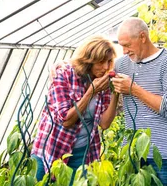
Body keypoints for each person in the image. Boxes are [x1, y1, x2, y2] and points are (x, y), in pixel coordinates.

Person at [31, 36, 119, 185]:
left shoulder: (102, 81)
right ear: (88, 60)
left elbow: (104, 124)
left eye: (109, 61)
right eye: (101, 61)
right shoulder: (64, 75)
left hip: (84, 152)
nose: (105, 67)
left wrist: (115, 93)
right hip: (52, 149)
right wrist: (91, 92)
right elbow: (66, 120)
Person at [111, 17, 167, 186]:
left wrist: (134, 89)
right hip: (134, 154)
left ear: (142, 37)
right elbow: (96, 67)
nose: (123, 51)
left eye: (127, 45)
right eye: (121, 45)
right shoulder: (121, 64)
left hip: (165, 155)